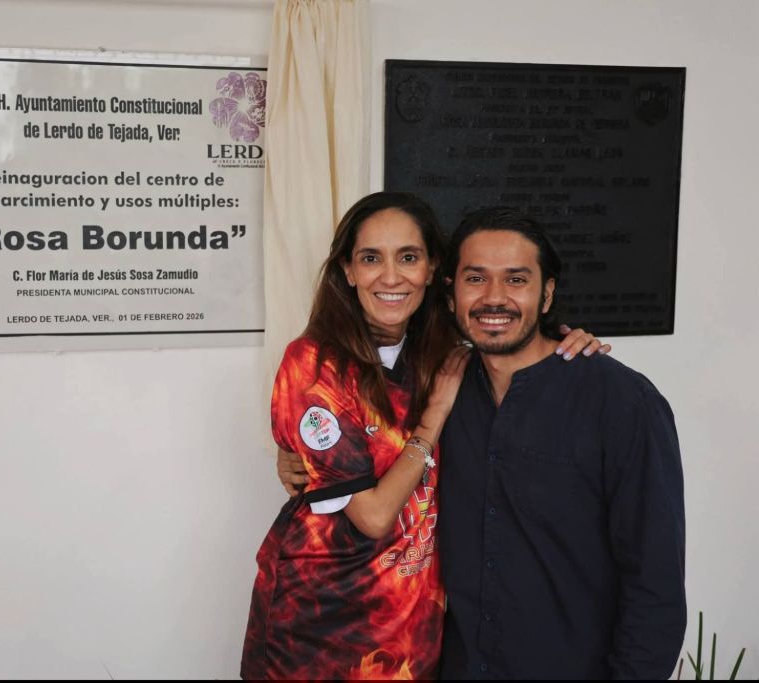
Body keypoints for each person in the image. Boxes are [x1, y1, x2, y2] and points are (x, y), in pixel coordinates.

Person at [278, 207, 686, 679]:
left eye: (516, 280)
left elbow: (654, 585)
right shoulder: (439, 386)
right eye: (475, 278)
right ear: (450, 293)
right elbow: (357, 439)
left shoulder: (622, 404)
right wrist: (294, 455)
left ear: (547, 294)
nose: (494, 298)